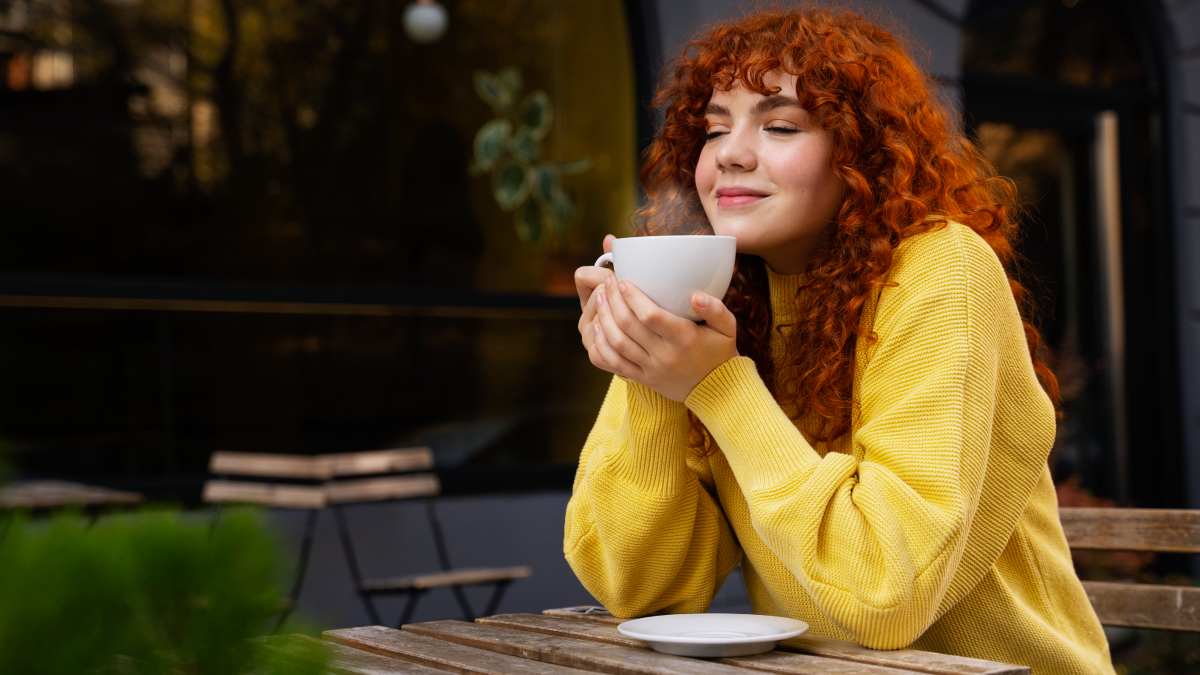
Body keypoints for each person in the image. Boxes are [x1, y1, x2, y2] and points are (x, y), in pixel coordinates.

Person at [565, 7, 1114, 675]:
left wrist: (719, 385)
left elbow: (887, 596)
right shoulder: (729, 298)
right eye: (714, 128)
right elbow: (642, 591)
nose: (732, 151)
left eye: (780, 125)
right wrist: (649, 372)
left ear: (861, 151)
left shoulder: (941, 270)